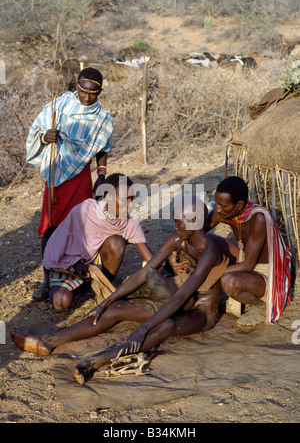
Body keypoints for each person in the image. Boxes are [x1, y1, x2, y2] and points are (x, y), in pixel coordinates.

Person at [11, 196, 230, 378]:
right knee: (114, 309)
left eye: (179, 223)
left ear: (194, 221)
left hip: (198, 313)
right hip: (177, 299)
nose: (175, 227)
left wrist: (141, 329)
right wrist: (106, 302)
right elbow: (145, 272)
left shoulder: (209, 253)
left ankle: (97, 361)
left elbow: (180, 298)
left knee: (164, 326)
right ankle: (49, 341)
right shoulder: (179, 238)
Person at [26, 67, 113, 301]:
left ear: (100, 92)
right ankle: (46, 280)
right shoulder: (59, 107)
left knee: (80, 227)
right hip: (56, 176)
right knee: (51, 227)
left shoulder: (102, 117)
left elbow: (102, 149)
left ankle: (77, 277)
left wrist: (102, 176)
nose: (87, 97)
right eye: (83, 91)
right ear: (76, 85)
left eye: (93, 93)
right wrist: (46, 138)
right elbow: (36, 133)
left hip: (81, 176)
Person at [38, 173, 153, 312]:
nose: (130, 205)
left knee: (116, 242)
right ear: (108, 196)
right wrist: (76, 263)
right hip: (69, 263)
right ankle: (69, 286)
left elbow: (150, 258)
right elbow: (60, 243)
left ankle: (101, 286)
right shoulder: (85, 210)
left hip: (95, 266)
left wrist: (166, 273)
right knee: (60, 302)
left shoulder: (129, 223)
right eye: (125, 199)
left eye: (131, 199)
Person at [204, 175, 292, 329]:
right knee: (208, 240)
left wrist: (212, 272)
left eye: (223, 205)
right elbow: (196, 233)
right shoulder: (224, 212)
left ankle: (260, 307)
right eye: (217, 203)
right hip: (244, 260)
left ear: (239, 205)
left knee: (228, 281)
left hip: (265, 274)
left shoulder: (259, 218)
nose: (218, 209)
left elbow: (248, 264)